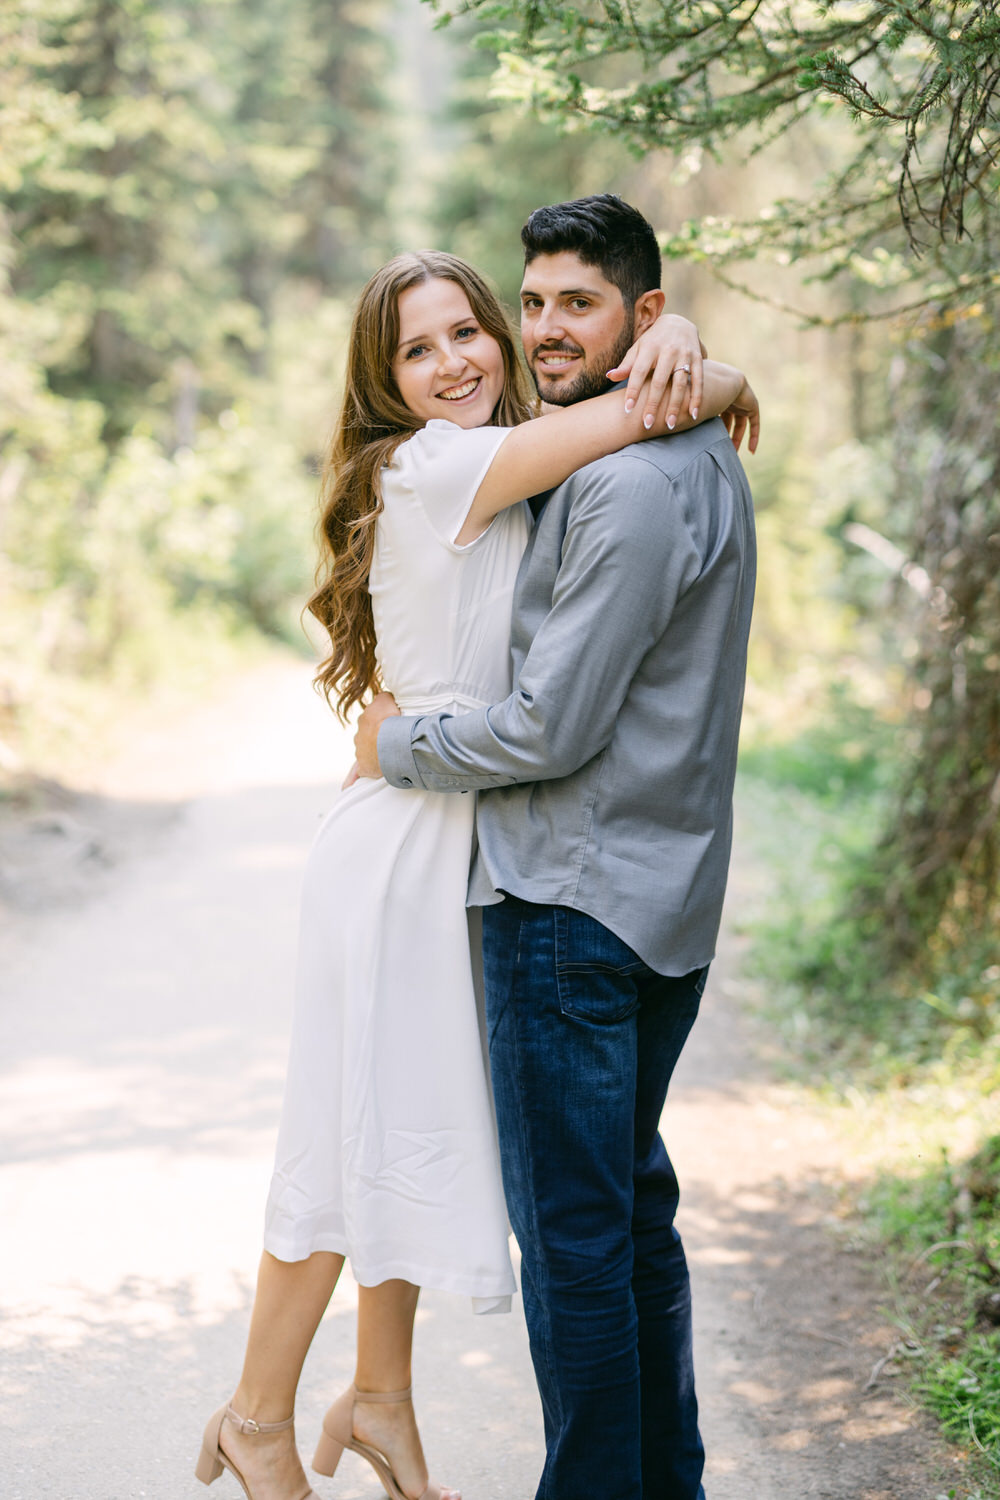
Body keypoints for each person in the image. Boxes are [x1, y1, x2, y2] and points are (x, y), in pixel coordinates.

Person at [196, 236, 756, 1500]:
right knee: (350, 1138)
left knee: (403, 1128)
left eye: (468, 331)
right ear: (382, 381)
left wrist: (689, 354)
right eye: (416, 347)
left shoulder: (514, 461)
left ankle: (382, 1397)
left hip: (463, 823)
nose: (452, 360)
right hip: (407, 829)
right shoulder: (438, 462)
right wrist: (705, 373)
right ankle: (254, 1415)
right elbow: (636, 407)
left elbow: (622, 416)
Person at [353, 195, 758, 1500]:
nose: (542, 332)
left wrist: (395, 748)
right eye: (530, 304)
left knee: (578, 1244)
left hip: (567, 912)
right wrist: (704, 352)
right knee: (632, 1225)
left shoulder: (633, 481)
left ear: (642, 317)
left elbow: (547, 726)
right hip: (659, 906)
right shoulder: (688, 443)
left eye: (575, 304)